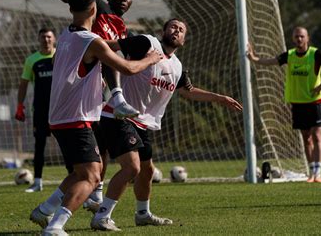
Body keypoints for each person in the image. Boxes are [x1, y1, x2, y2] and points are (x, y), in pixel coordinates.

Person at [28, 0, 162, 236]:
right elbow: (128, 68)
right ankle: (55, 227)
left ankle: (44, 210)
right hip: (75, 118)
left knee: (84, 171)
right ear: (94, 9)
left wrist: (123, 41)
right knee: (91, 177)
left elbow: (102, 46)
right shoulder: (92, 42)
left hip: (60, 117)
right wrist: (151, 59)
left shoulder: (66, 35)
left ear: (71, 9)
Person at [90, 18, 243, 231]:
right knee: (132, 167)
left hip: (143, 123)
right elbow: (109, 47)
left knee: (147, 170)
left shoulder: (177, 66)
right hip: (118, 116)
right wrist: (88, 44)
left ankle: (142, 214)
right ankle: (102, 216)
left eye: (181, 30)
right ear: (163, 30)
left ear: (184, 39)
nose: (177, 31)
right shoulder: (146, 43)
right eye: (173, 27)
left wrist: (219, 98)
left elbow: (187, 92)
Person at [24, 0, 136, 209]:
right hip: (80, 93)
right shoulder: (99, 11)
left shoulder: (121, 26)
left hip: (92, 92)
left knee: (98, 149)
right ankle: (118, 98)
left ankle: (89, 196)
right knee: (87, 163)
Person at [247, 26, 321, 183]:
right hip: (298, 103)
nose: (299, 39)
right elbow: (271, 61)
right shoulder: (290, 55)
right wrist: (254, 59)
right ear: (293, 39)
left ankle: (318, 173)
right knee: (306, 138)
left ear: (307, 38)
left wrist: (320, 86)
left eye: (302, 36)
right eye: (296, 37)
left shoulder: (316, 54)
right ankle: (312, 172)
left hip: (315, 101)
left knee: (317, 135)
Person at [15, 28, 56, 193]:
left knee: (67, 145)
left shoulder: (61, 56)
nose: (46, 40)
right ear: (38, 39)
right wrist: (20, 105)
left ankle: (73, 178)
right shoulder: (32, 60)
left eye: (49, 37)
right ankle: (37, 182)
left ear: (54, 39)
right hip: (40, 110)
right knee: (39, 145)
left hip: (61, 109)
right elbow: (24, 84)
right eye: (43, 37)